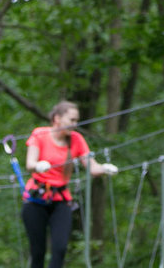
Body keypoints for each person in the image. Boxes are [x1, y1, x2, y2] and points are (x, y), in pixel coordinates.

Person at [23, 101, 118, 268]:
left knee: (60, 249)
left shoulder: (76, 140)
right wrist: (38, 165)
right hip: (36, 200)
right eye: (72, 120)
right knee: (38, 251)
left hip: (61, 200)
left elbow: (92, 167)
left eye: (77, 121)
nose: (75, 124)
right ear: (57, 118)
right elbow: (30, 163)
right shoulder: (40, 134)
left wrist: (104, 168)